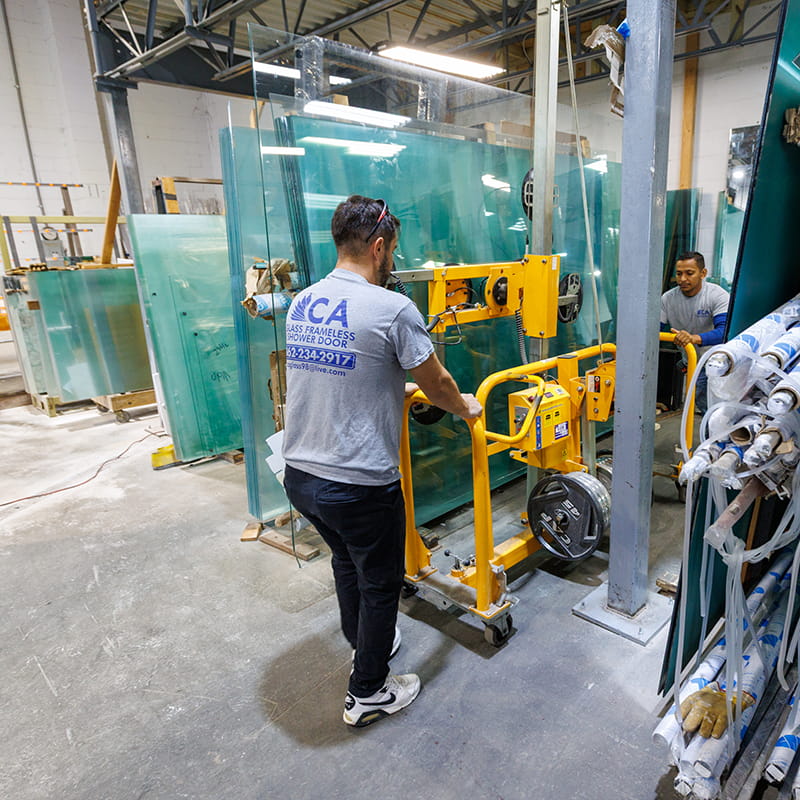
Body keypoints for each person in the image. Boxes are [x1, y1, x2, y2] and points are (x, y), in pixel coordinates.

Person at [281, 195, 482, 728]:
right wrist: (465, 407)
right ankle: (367, 691)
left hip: (301, 477)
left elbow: (341, 371)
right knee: (379, 582)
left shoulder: (303, 301)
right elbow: (437, 383)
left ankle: (365, 645)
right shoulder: (393, 308)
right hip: (358, 483)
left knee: (348, 563)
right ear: (378, 246)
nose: (392, 258)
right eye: (391, 249)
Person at [660, 251, 730, 415]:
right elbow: (654, 329)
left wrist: (693, 338)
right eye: (679, 273)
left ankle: (715, 436)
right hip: (690, 359)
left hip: (714, 360)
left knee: (707, 405)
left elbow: (724, 332)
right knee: (703, 404)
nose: (683, 279)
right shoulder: (668, 299)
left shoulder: (716, 295)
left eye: (689, 273)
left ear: (703, 273)